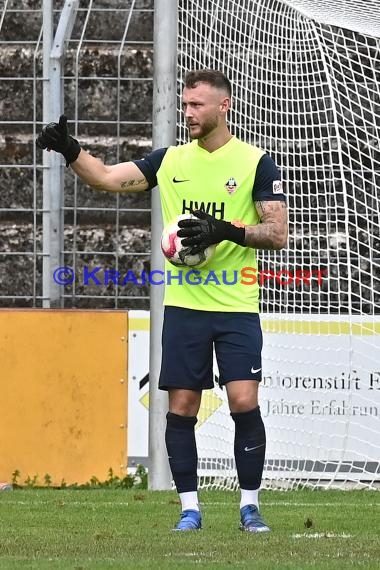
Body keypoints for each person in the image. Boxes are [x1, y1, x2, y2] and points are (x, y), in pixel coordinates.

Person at [36, 69, 288, 533]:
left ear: (223, 106)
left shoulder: (256, 163)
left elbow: (277, 233)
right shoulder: (169, 160)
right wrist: (71, 151)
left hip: (236, 306)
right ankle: (190, 508)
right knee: (182, 407)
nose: (187, 112)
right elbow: (109, 178)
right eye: (185, 104)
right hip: (185, 308)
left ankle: (249, 507)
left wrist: (224, 231)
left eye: (196, 105)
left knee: (243, 400)